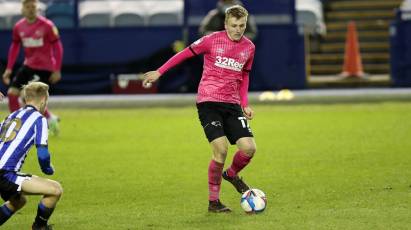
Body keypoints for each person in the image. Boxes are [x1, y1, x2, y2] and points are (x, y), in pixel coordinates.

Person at [143, 5, 257, 213]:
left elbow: (245, 75)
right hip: (209, 101)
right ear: (225, 24)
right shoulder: (211, 40)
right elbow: (184, 54)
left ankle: (231, 174)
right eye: (234, 25)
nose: (238, 29)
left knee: (249, 148)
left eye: (242, 25)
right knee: (221, 150)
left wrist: (245, 103)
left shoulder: (249, 47)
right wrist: (159, 72)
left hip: (232, 104)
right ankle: (214, 202)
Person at [0, 82, 63, 230]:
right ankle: (39, 227)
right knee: (55, 190)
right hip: (5, 174)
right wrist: (48, 169)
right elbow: (43, 155)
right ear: (43, 101)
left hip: (4, 172)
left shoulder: (12, 116)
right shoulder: (39, 119)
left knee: (18, 201)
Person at [2, 0, 63, 136]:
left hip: (44, 68)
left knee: (27, 97)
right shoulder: (19, 27)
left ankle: (42, 121)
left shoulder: (47, 25)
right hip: (28, 65)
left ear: (37, 9)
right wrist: (9, 69)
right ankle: (18, 127)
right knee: (12, 94)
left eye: (33, 7)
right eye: (27, 7)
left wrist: (57, 69)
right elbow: (15, 47)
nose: (30, 9)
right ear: (22, 9)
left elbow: (57, 46)